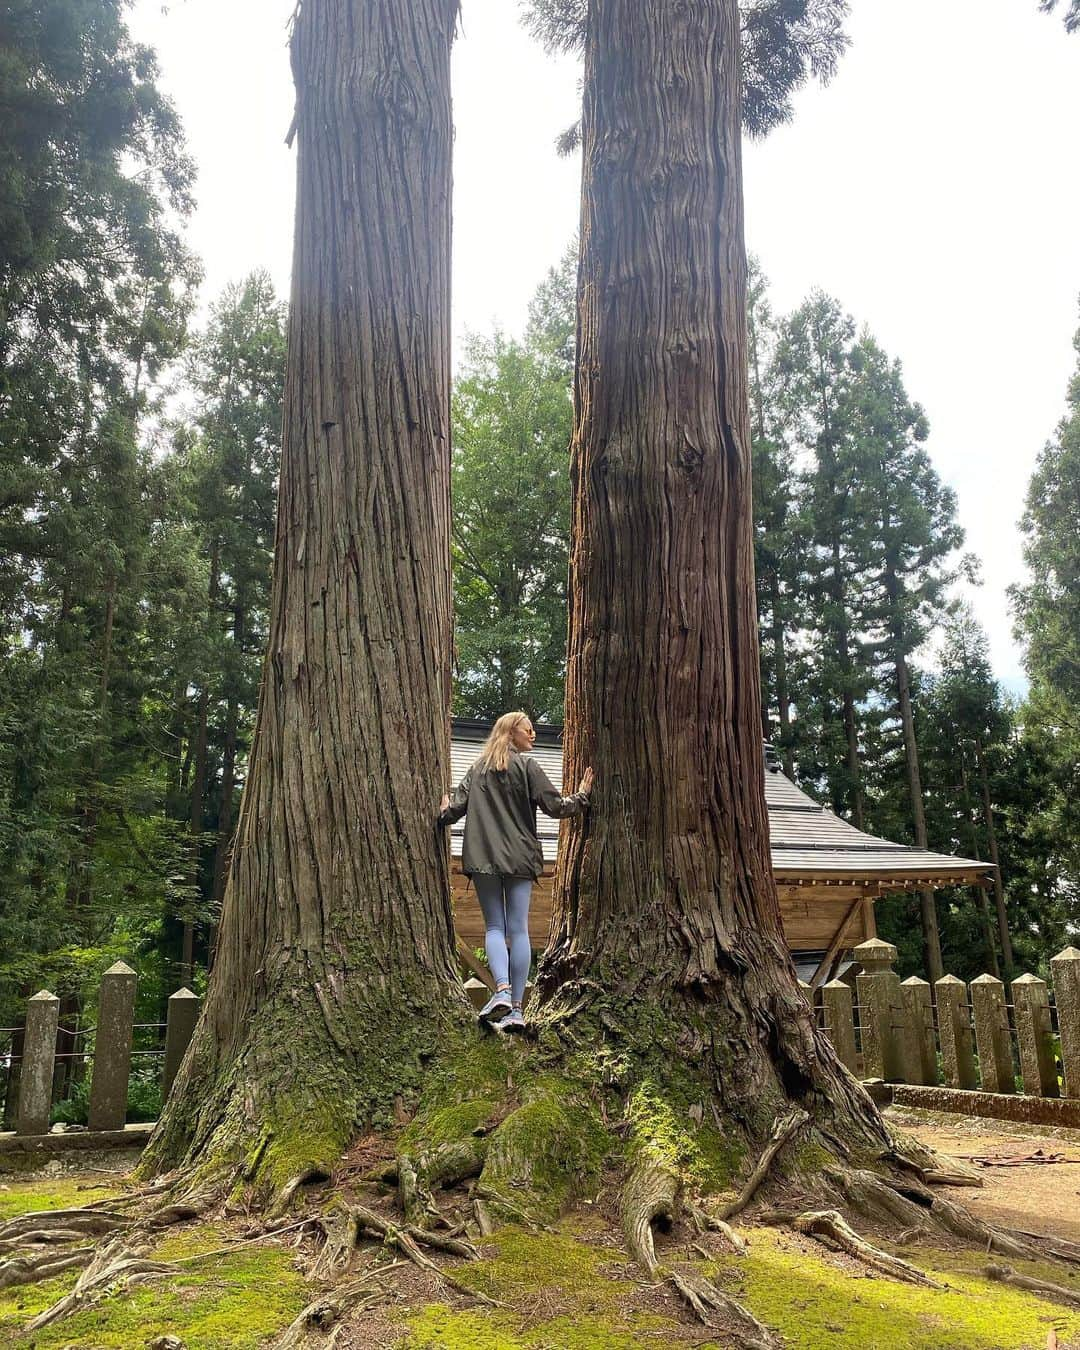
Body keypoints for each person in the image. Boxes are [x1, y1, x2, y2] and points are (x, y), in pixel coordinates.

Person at [438, 712, 593, 1031]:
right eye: (529, 730)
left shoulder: (476, 769)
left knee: (495, 927)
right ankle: (516, 1011)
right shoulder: (527, 767)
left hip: (483, 859)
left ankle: (502, 991)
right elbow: (556, 807)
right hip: (520, 859)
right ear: (511, 733)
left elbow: (453, 812)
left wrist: (443, 811)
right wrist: (582, 796)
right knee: (518, 928)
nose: (533, 735)